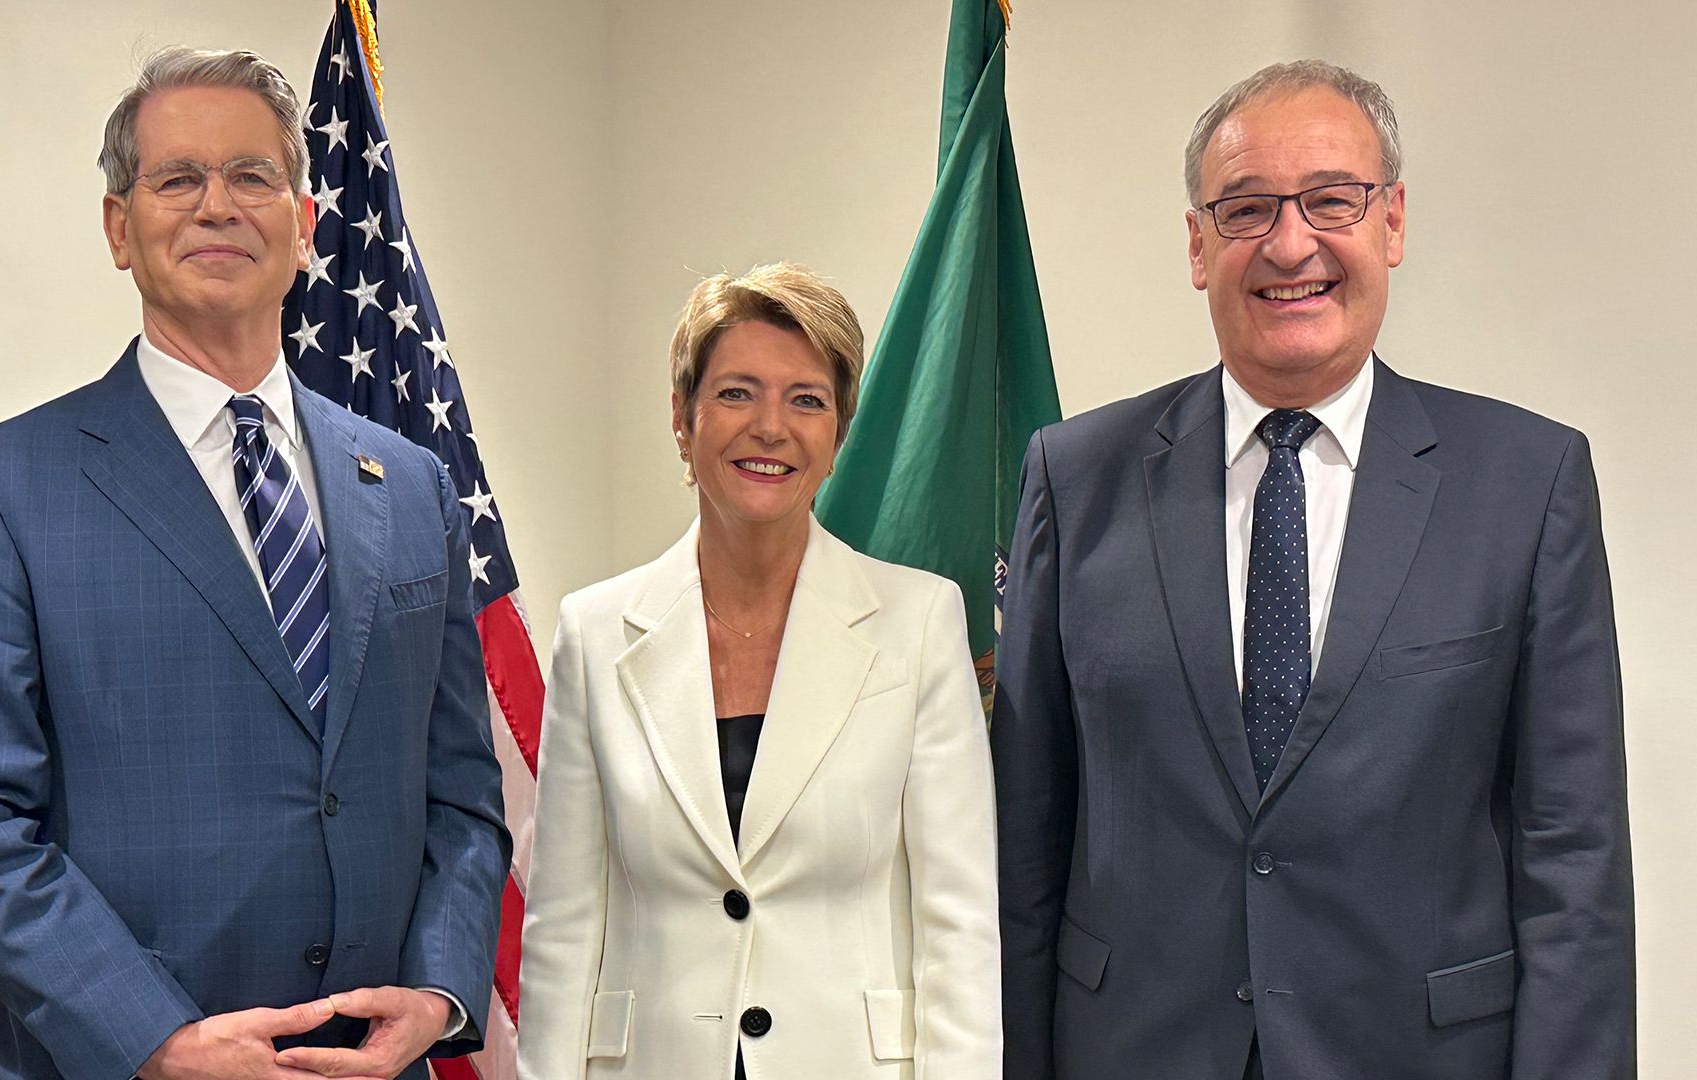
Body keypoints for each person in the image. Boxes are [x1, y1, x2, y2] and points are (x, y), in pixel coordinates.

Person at [993, 60, 1634, 1080]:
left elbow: (1574, 858)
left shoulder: (1527, 483)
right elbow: (1024, 838)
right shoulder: (1074, 481)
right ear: (1197, 245)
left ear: (1392, 222)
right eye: (1246, 208)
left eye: (1332, 200)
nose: (1291, 244)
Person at [0, 47, 509, 1080]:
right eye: (177, 179)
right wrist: (154, 1037)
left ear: (304, 226)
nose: (218, 205)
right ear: (119, 228)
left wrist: (442, 992)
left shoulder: (411, 486)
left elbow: (461, 790)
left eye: (252, 176)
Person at [517, 264, 1001, 1080]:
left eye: (806, 399)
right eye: (737, 393)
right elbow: (563, 929)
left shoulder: (919, 623)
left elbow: (958, 926)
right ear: (683, 419)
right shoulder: (595, 633)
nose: (770, 427)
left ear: (838, 436)